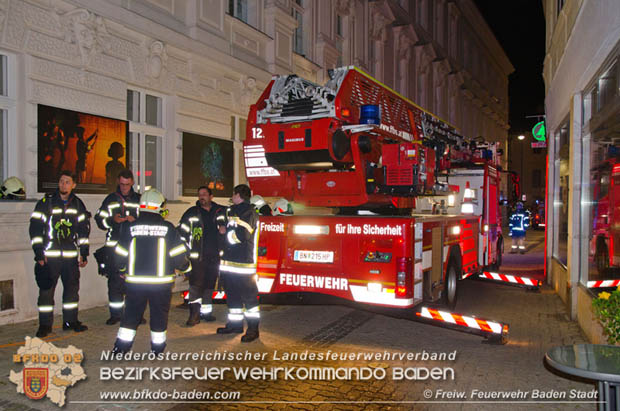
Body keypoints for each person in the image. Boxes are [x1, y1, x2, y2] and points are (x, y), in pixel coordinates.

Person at [112, 189, 190, 354]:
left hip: (135, 283)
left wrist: (122, 269)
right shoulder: (168, 228)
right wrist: (187, 268)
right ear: (160, 207)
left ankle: (121, 348)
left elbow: (120, 255)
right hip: (160, 284)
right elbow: (178, 256)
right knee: (159, 315)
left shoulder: (130, 228)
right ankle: (157, 348)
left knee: (131, 314)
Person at [29, 171, 90, 338]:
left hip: (70, 258)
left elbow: (83, 230)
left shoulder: (78, 204)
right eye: (61, 181)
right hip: (50, 257)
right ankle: (45, 325)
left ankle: (71, 321)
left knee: (71, 291)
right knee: (46, 292)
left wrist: (83, 253)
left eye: (67, 182)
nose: (64, 185)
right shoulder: (46, 202)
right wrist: (39, 254)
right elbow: (35, 229)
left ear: (73, 185)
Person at [94, 169, 141, 325]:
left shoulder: (139, 200)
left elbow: (149, 217)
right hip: (114, 247)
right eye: (121, 184)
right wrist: (112, 220)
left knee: (135, 283)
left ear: (132, 182)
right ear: (118, 183)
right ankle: (116, 315)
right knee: (114, 283)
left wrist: (135, 220)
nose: (124, 188)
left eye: (127, 185)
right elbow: (100, 220)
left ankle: (135, 315)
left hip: (134, 247)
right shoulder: (111, 199)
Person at [216, 184, 260, 342]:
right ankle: (235, 325)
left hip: (244, 266)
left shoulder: (249, 213)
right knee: (232, 297)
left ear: (238, 195)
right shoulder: (233, 211)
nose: (231, 197)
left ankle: (253, 330)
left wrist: (225, 233)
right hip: (230, 264)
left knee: (249, 300)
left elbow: (242, 236)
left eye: (233, 195)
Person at [177, 186, 225, 326]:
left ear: (211, 196)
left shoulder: (220, 211)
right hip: (197, 257)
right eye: (199, 195)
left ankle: (206, 313)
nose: (201, 197)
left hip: (215, 256)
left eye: (204, 194)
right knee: (195, 285)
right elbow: (181, 233)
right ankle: (194, 315)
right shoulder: (192, 213)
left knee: (210, 284)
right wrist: (186, 252)